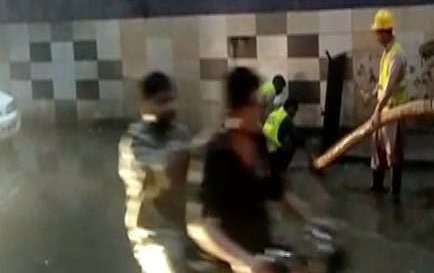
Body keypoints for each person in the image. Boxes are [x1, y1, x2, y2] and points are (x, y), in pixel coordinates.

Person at [186, 67, 324, 273]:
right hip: (228, 258)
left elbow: (278, 191)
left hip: (260, 249)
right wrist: (247, 262)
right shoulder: (213, 151)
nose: (261, 110)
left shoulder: (258, 141)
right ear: (242, 106)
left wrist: (313, 221)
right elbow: (203, 228)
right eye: (257, 103)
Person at [118, 72, 194, 273]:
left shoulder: (180, 132)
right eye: (161, 102)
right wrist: (198, 147)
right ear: (146, 105)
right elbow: (163, 168)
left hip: (181, 230)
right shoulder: (134, 141)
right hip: (150, 235)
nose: (169, 107)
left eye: (170, 100)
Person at [368, 9, 407, 198]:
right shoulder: (388, 52)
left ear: (385, 32)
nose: (375, 36)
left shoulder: (396, 55)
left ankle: (394, 192)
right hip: (383, 108)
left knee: (393, 152)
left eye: (377, 32)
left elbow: (391, 86)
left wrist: (377, 110)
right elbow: (383, 82)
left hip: (393, 110)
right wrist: (373, 93)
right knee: (378, 147)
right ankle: (377, 186)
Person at [263, 99, 314, 176]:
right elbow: (297, 137)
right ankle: (280, 169)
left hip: (262, 144)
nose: (295, 114)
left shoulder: (274, 113)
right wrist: (310, 155)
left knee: (285, 138)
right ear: (290, 108)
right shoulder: (285, 119)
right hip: (272, 151)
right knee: (291, 144)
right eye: (295, 111)